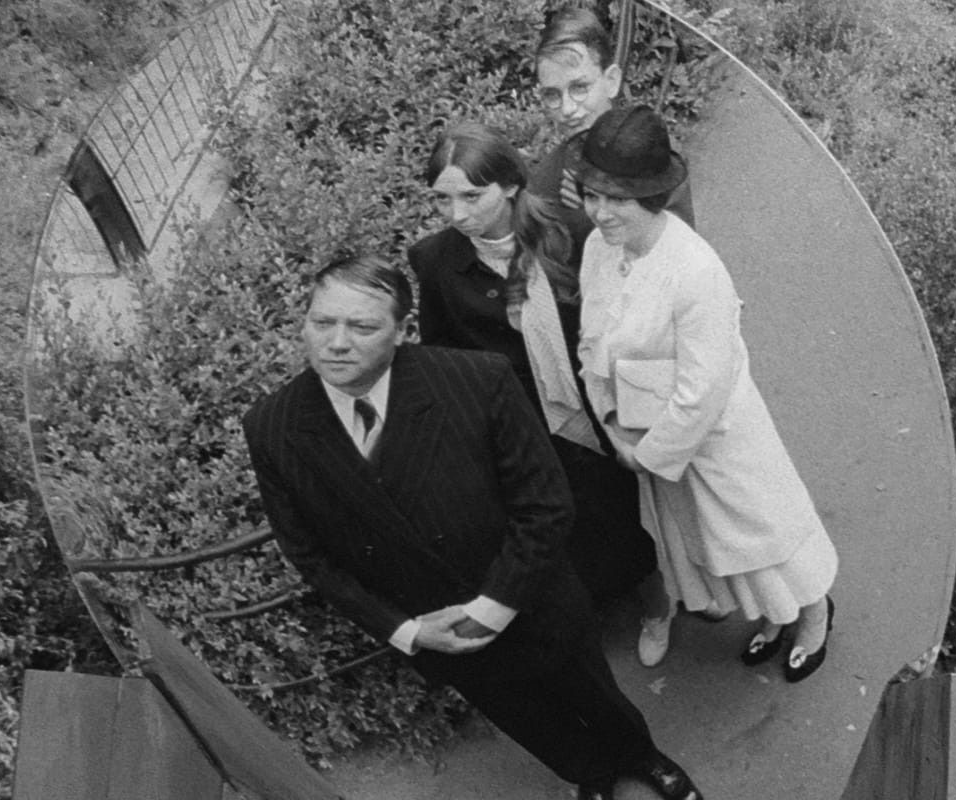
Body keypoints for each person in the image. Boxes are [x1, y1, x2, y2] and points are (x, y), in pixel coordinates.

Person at [241, 256, 702, 800]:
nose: (336, 343)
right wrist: (407, 632)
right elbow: (311, 556)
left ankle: (641, 757)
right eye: (322, 322)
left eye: (362, 326)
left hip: (532, 599)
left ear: (403, 332)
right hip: (434, 628)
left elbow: (545, 504)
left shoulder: (476, 381)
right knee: (524, 718)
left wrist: (491, 607)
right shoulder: (273, 427)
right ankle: (590, 776)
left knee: (592, 692)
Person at [569, 105, 839, 683]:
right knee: (716, 543)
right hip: (646, 428)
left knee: (761, 529)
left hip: (712, 434)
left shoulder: (695, 271)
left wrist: (644, 455)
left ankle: (813, 613)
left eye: (618, 198)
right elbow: (593, 338)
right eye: (592, 194)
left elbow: (702, 390)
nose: (600, 211)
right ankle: (774, 615)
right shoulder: (598, 248)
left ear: (653, 195)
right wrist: (611, 418)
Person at [409, 122, 656, 606]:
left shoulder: (570, 233)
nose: (456, 215)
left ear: (510, 185)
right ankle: (602, 602)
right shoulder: (434, 260)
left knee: (625, 506)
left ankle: (654, 602)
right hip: (520, 426)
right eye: (441, 200)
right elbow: (444, 354)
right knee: (565, 520)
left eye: (472, 197)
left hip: (594, 404)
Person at [531, 5, 693, 259]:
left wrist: (596, 212)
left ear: (612, 81)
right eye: (552, 94)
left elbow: (681, 253)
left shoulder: (656, 155)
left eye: (580, 87)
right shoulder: (545, 182)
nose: (568, 109)